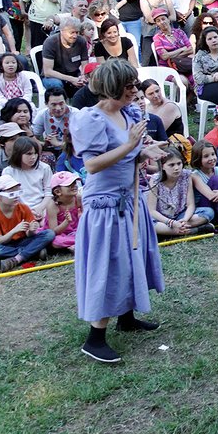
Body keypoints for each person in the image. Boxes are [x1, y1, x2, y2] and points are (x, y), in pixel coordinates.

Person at [70, 59, 169, 363]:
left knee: (131, 257)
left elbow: (133, 149)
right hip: (105, 206)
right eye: (128, 86)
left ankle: (126, 318)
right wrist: (130, 147)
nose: (134, 90)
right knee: (109, 265)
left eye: (134, 84)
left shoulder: (128, 113)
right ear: (112, 87)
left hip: (129, 199)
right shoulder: (91, 119)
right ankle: (94, 338)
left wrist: (144, 152)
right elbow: (92, 165)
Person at [44, 171, 83, 250]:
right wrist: (66, 222)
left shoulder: (78, 198)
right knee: (56, 242)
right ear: (57, 192)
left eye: (75, 183)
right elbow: (53, 232)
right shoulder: (53, 206)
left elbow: (87, 218)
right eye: (69, 185)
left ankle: (73, 245)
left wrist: (82, 216)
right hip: (61, 233)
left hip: (76, 230)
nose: (74, 186)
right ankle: (77, 243)